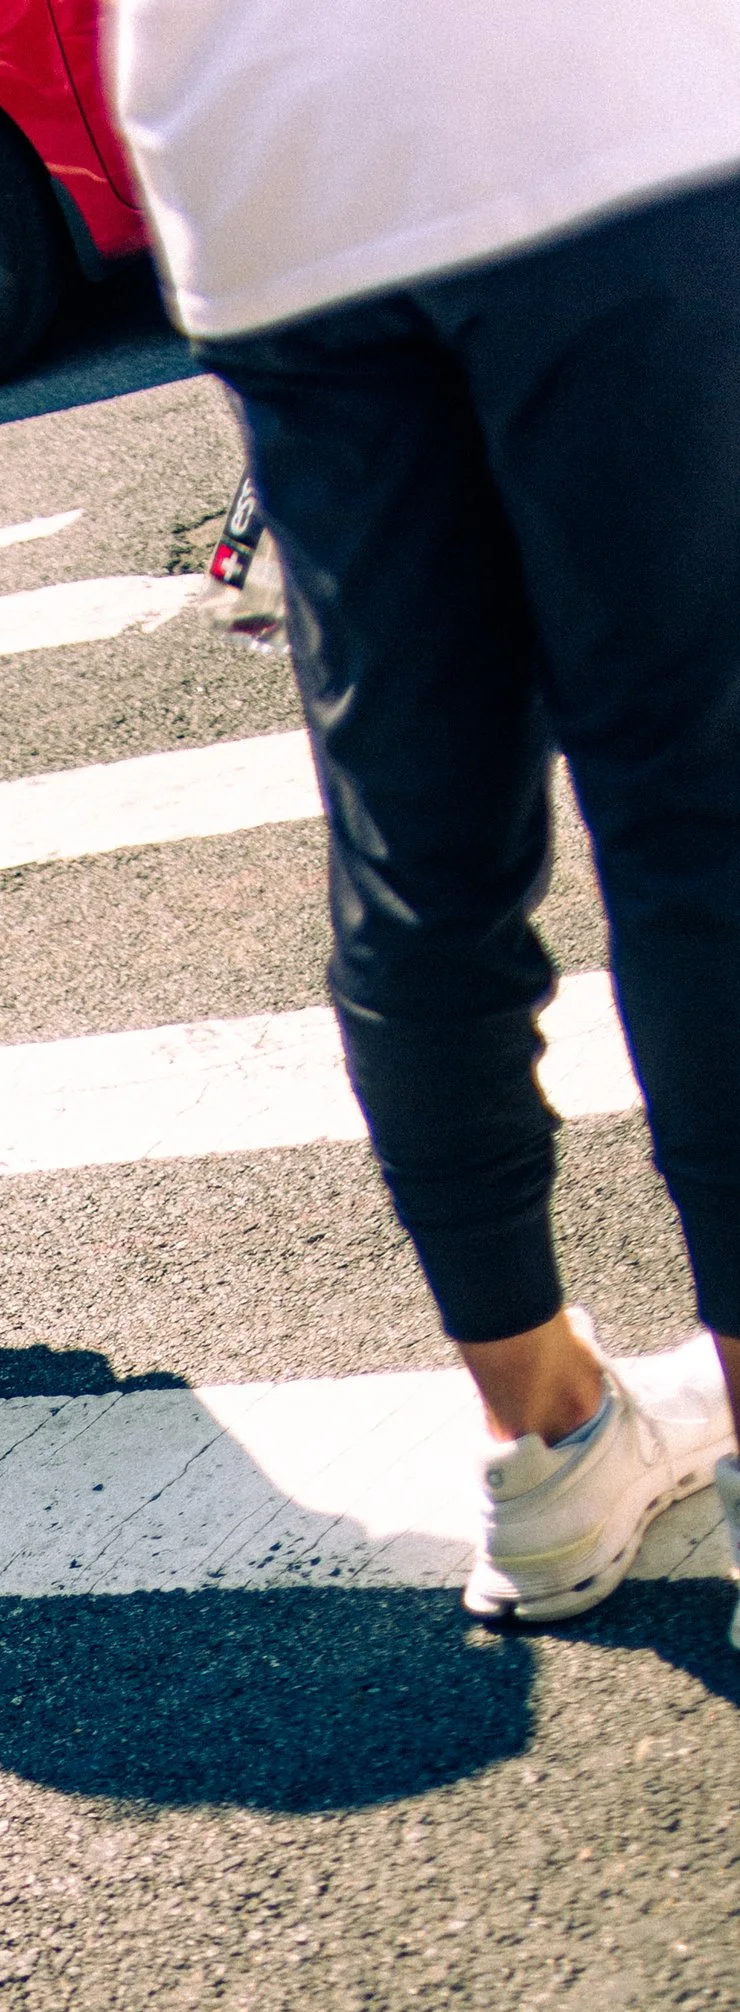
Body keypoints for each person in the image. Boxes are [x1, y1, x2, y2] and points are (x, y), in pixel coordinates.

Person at [112, 0, 740, 1640]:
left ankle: (543, 1438)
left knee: (416, 830)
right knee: (701, 809)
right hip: (595, 89)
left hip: (263, 152)